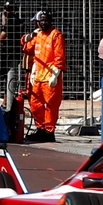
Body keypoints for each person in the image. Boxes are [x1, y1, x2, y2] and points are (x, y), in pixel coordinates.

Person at [19, 11, 66, 141]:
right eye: (42, 20)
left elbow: (59, 56)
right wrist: (26, 38)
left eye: (46, 20)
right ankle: (40, 128)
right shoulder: (37, 34)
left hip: (50, 74)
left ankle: (49, 131)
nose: (44, 23)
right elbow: (27, 48)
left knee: (51, 104)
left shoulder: (56, 35)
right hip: (38, 73)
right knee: (35, 102)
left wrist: (56, 73)